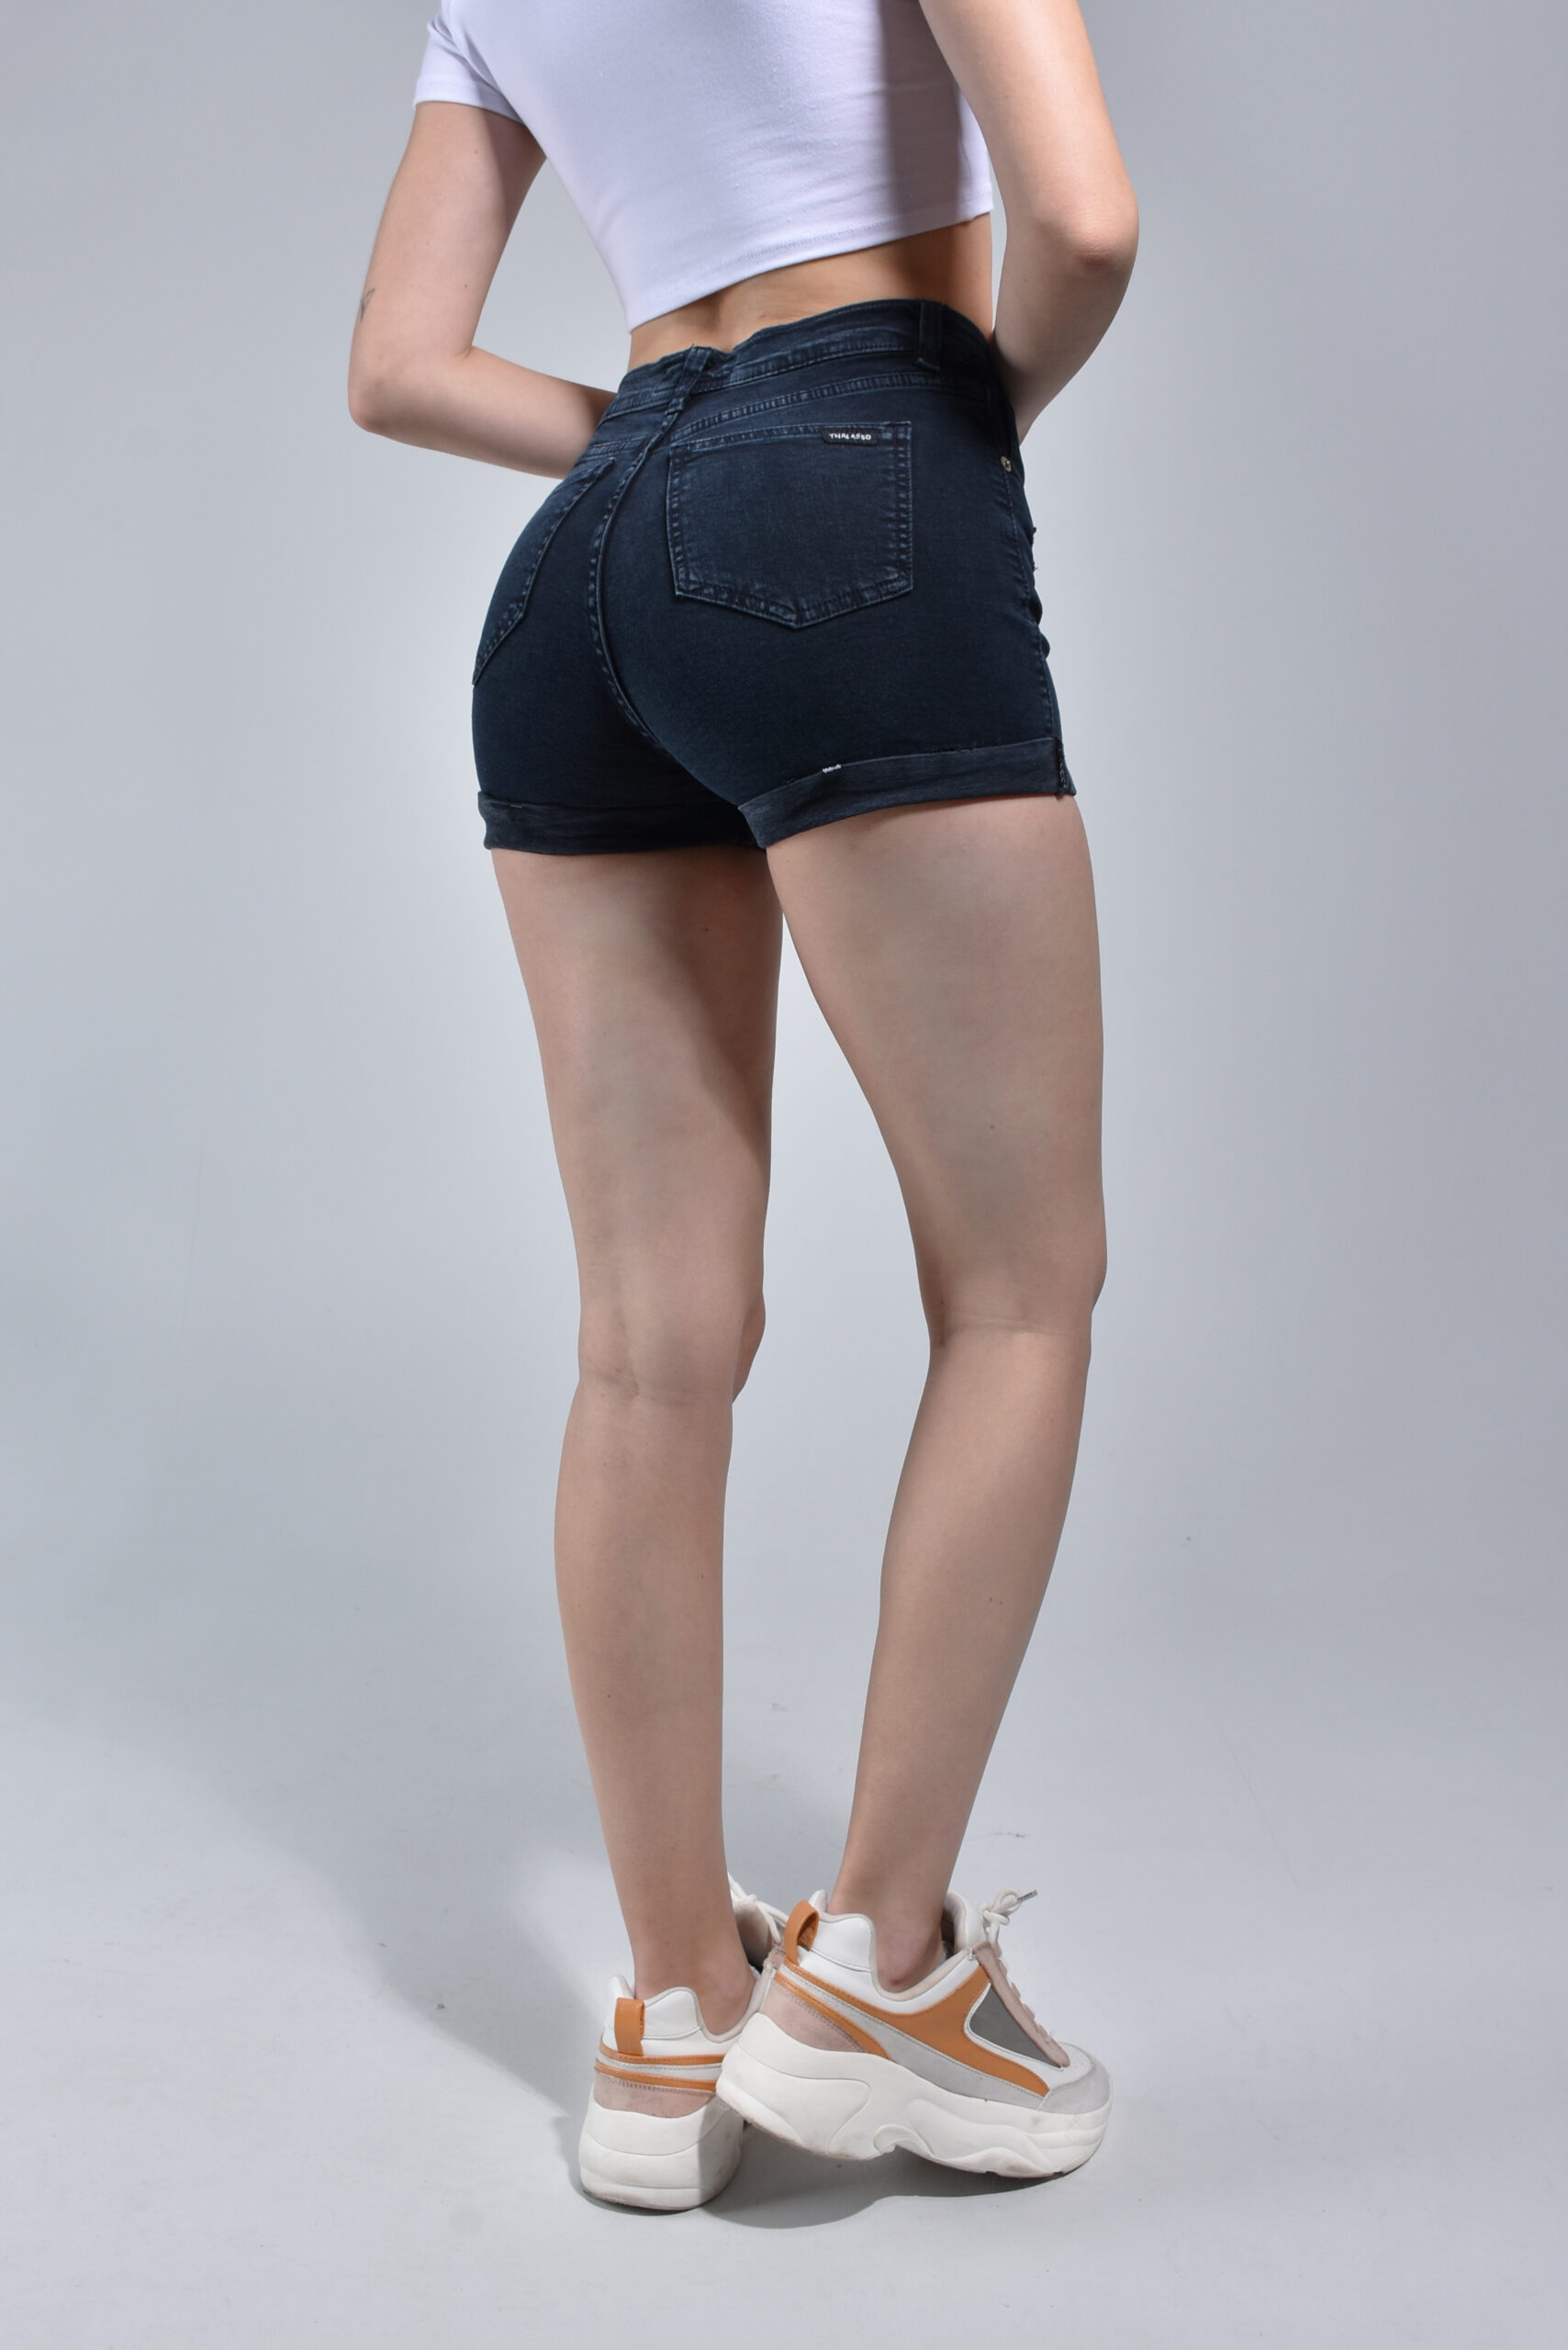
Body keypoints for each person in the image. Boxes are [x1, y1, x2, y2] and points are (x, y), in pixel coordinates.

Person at [349, 0, 1137, 2210]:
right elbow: (1080, 217)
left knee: (647, 1342)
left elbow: (398, 366)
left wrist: (663, 460)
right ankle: (882, 1960)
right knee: (1019, 1286)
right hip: (859, 466)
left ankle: (677, 2009)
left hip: (575, 570)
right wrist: (932, 437)